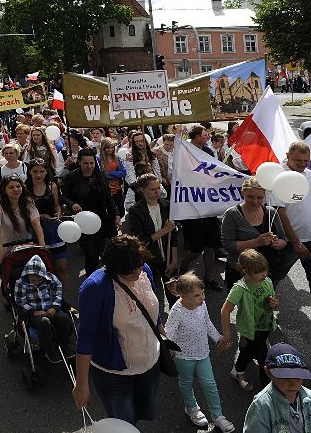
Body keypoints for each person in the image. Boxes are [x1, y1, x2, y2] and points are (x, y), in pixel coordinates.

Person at [72, 235, 162, 425]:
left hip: (150, 366)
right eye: (130, 272)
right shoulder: (94, 288)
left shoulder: (144, 270)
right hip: (113, 374)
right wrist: (81, 384)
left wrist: (163, 334)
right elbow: (86, 337)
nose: (137, 273)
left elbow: (151, 307)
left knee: (148, 412)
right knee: (124, 424)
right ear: (114, 269)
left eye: (139, 265)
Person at [164, 273, 235, 433]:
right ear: (182, 295)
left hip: (203, 353)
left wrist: (218, 338)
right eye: (196, 295)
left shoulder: (201, 305)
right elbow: (169, 333)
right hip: (183, 357)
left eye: (202, 293)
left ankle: (218, 416)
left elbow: (207, 323)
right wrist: (170, 349)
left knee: (210, 384)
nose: (202, 297)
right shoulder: (177, 311)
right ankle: (191, 408)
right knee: (186, 382)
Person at [275, 141, 311, 337]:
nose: (303, 164)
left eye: (306, 161)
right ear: (287, 156)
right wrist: (296, 242)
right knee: (272, 278)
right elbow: (280, 212)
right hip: (290, 244)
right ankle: (263, 317)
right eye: (298, 160)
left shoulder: (310, 174)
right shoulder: (278, 176)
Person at [243, 343, 311, 433]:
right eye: (285, 377)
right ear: (268, 372)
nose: (293, 384)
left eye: (298, 377)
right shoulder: (261, 405)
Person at [221, 249, 280, 389]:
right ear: (245, 271)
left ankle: (237, 371)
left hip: (265, 325)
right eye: (259, 272)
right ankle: (268, 389)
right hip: (251, 329)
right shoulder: (239, 288)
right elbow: (225, 310)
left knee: (249, 350)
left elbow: (274, 301)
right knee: (263, 358)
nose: (264, 274)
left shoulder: (267, 282)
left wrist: (275, 303)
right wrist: (227, 334)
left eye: (265, 270)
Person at [61, 148, 120, 277]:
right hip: (83, 221)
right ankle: (91, 281)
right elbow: (64, 196)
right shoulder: (71, 177)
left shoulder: (101, 176)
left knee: (106, 253)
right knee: (91, 255)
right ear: (80, 163)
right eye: (85, 163)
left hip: (103, 220)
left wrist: (116, 214)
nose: (89, 166)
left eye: (91, 163)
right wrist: (72, 204)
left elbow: (109, 198)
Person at [222, 177, 287, 291]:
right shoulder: (232, 214)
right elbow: (228, 246)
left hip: (265, 272)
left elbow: (283, 240)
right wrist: (256, 242)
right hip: (241, 272)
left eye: (259, 197)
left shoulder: (271, 212)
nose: (255, 201)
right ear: (243, 193)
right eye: (250, 197)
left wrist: (277, 243)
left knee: (263, 305)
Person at [179, 125, 223, 291]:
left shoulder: (208, 152)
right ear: (196, 136)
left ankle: (210, 278)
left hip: (207, 206)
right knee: (196, 249)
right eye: (205, 135)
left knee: (210, 246)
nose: (208, 137)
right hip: (192, 206)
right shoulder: (184, 150)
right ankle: (184, 266)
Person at [125, 173, 178, 308]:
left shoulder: (167, 206)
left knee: (175, 296)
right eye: (153, 189)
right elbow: (141, 241)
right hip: (149, 260)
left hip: (168, 259)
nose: (157, 192)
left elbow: (174, 238)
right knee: (152, 298)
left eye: (158, 188)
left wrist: (174, 261)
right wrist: (165, 230)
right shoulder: (135, 211)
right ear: (142, 190)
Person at [14, 254, 75, 363]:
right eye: (33, 280)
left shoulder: (50, 278)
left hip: (50, 308)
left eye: (39, 280)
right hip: (34, 312)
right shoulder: (21, 283)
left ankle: (65, 344)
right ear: (28, 276)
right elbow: (20, 301)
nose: (36, 282)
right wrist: (34, 312)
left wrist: (55, 307)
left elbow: (58, 292)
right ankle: (49, 350)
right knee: (44, 322)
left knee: (64, 318)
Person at [25, 158, 67, 287]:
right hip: (35, 232)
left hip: (54, 230)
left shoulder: (52, 186)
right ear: (30, 172)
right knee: (43, 270)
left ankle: (63, 299)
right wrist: (39, 216)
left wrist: (58, 213)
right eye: (35, 171)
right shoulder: (25, 188)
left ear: (46, 172)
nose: (38, 175)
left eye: (41, 171)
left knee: (62, 269)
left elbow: (57, 205)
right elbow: (23, 212)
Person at [0, 175, 45, 264]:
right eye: (11, 187)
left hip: (27, 248)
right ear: (4, 189)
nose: (15, 189)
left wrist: (42, 247)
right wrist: (1, 253)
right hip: (6, 250)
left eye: (18, 186)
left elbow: (36, 224)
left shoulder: (29, 203)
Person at [97, 138, 126, 217]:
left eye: (112, 147)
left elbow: (123, 172)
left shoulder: (116, 157)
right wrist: (115, 174)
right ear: (103, 148)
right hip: (105, 188)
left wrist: (110, 174)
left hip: (117, 188)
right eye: (107, 148)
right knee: (110, 212)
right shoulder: (98, 158)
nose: (110, 150)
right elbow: (102, 175)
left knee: (121, 211)